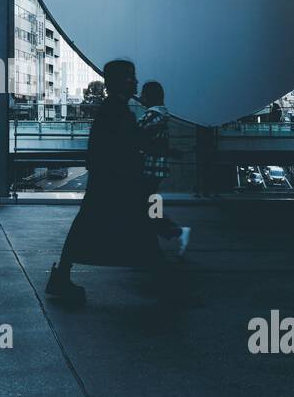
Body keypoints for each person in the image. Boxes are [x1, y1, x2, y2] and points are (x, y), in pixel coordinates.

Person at [46, 60, 160, 305]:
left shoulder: (112, 108)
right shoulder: (117, 110)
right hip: (114, 181)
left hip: (107, 180)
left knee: (87, 225)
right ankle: (162, 280)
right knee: (138, 227)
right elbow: (129, 142)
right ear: (121, 82)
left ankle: (62, 275)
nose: (136, 82)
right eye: (132, 78)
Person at [137, 82, 189, 257]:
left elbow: (136, 134)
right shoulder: (162, 115)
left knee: (143, 206)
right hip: (156, 169)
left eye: (143, 94)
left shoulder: (152, 115)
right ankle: (160, 239)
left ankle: (174, 232)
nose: (140, 97)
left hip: (149, 167)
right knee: (149, 204)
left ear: (150, 96)